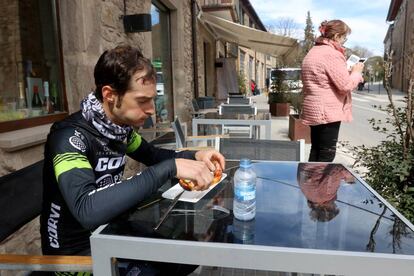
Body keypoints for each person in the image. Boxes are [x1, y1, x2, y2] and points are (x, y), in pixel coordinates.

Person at [39, 45, 225, 275]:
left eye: (152, 100)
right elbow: (86, 210)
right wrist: (170, 168)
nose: (150, 111)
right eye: (141, 101)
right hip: (76, 256)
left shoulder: (119, 130)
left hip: (112, 230)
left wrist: (195, 155)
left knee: (186, 256)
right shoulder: (69, 137)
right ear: (109, 95)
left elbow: (153, 155)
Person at [301, 20, 364, 162]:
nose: (343, 42)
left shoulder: (314, 51)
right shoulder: (331, 54)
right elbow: (346, 85)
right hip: (327, 111)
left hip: (314, 108)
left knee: (316, 149)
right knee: (327, 153)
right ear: (336, 36)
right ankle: (321, 184)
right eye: (344, 38)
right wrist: (357, 72)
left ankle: (311, 183)